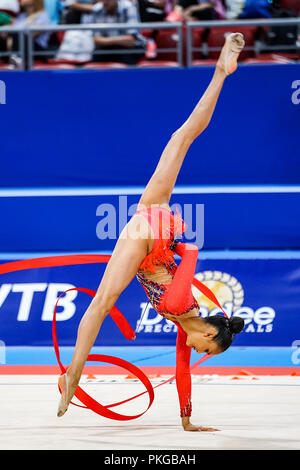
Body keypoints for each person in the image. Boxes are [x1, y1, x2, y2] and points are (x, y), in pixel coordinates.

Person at [57, 32, 245, 432]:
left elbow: (181, 371)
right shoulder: (181, 309)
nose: (200, 354)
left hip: (156, 222)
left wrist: (187, 420)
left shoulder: (185, 325)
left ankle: (220, 72)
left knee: (181, 139)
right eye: (207, 349)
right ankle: (73, 375)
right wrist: (177, 244)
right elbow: (190, 254)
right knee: (102, 303)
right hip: (150, 237)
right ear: (210, 332)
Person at [66, 0, 146, 64]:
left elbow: (130, 40)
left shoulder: (129, 7)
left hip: (129, 48)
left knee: (126, 55)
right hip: (105, 48)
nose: (105, 2)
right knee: (94, 58)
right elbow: (92, 40)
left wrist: (103, 40)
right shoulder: (96, 9)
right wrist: (119, 40)